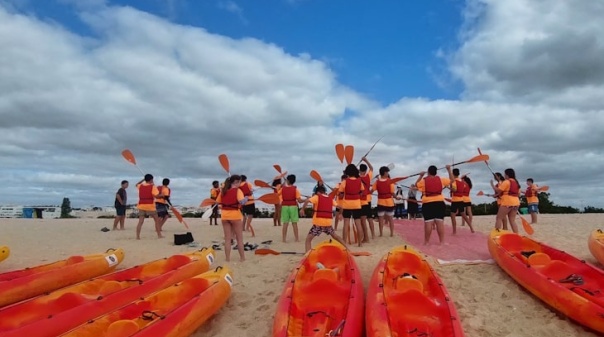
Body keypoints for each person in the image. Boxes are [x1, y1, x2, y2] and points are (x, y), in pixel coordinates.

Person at [299, 185, 347, 252]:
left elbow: (307, 201)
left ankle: (307, 254)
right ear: (324, 192)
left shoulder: (317, 197)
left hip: (318, 223)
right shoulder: (330, 199)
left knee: (308, 239)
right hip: (328, 223)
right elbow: (341, 207)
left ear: (318, 192)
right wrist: (341, 214)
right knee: (335, 236)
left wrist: (302, 209)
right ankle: (348, 249)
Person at [415, 165, 453, 245]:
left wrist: (421, 175)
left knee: (428, 222)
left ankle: (426, 242)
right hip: (439, 203)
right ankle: (442, 242)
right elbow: (452, 180)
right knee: (440, 222)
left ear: (428, 172)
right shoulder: (441, 179)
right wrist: (449, 170)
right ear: (436, 172)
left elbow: (416, 185)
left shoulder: (423, 181)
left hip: (427, 204)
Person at [215, 175, 247, 262]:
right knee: (239, 239)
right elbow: (242, 202)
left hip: (224, 216)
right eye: (239, 182)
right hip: (235, 216)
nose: (240, 184)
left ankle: (227, 259)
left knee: (227, 239)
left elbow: (218, 202)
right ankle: (242, 258)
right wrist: (246, 198)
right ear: (236, 182)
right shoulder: (238, 191)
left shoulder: (223, 190)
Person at [338, 164, 364, 247]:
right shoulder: (359, 181)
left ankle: (344, 243)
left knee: (346, 224)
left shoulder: (344, 182)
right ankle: (360, 243)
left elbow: (341, 195)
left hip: (347, 204)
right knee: (358, 223)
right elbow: (362, 192)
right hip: (356, 204)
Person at [491, 168, 520, 233]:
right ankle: (516, 235)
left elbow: (498, 190)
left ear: (507, 174)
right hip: (516, 202)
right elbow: (519, 193)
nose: (504, 175)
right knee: (512, 220)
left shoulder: (507, 181)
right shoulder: (516, 182)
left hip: (507, 202)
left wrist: (492, 185)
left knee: (499, 218)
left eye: (505, 174)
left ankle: (497, 234)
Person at [135, 174, 163, 240]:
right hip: (150, 206)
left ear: (145, 179)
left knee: (140, 222)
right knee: (156, 221)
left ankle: (137, 237)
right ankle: (159, 235)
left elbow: (137, 184)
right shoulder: (153, 187)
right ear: (151, 179)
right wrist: (162, 195)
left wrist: (143, 180)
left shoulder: (140, 186)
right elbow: (157, 196)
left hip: (141, 206)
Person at [279, 174, 305, 242]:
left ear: (287, 180)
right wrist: (306, 199)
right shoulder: (296, 189)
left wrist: (281, 186)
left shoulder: (282, 189)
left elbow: (276, 195)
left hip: (285, 206)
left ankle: (283, 239)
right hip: (293, 206)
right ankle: (296, 239)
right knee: (294, 223)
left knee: (285, 223)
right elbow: (299, 200)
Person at [371, 166, 395, 237]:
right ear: (384, 173)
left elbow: (371, 191)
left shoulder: (377, 182)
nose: (388, 173)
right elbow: (392, 193)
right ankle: (391, 233)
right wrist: (397, 197)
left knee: (381, 219)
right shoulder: (390, 181)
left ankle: (381, 233)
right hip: (389, 202)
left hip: (380, 202)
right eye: (387, 172)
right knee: (390, 219)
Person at [450, 169, 473, 234]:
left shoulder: (454, 181)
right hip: (461, 200)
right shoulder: (462, 181)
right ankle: (471, 228)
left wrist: (450, 188)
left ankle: (454, 231)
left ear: (453, 174)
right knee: (464, 214)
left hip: (455, 200)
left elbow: (455, 190)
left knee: (452, 215)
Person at [358, 157, 374, 241]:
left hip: (361, 200)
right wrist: (366, 160)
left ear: (360, 170)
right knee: (370, 218)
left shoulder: (357, 178)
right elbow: (371, 168)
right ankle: (373, 235)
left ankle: (366, 237)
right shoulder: (368, 176)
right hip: (369, 199)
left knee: (362, 220)